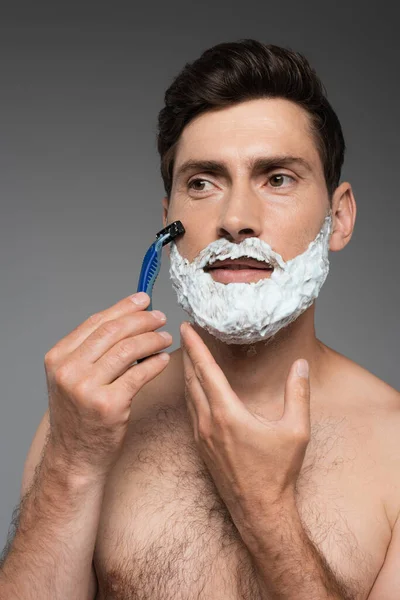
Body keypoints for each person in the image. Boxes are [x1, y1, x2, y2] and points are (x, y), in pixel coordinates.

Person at [0, 39, 399, 600]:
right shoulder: (85, 425)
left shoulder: (397, 448)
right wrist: (70, 465)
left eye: (277, 178)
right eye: (203, 183)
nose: (236, 219)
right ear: (168, 221)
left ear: (338, 217)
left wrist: (267, 513)